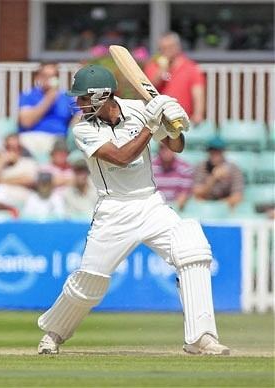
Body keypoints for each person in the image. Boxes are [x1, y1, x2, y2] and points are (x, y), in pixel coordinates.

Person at [37, 64, 229, 356]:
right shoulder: (83, 128)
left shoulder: (139, 109)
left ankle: (201, 337)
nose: (79, 104)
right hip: (113, 208)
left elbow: (176, 146)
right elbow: (121, 157)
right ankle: (53, 334)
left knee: (193, 249)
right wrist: (151, 127)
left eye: (84, 98)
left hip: (150, 203)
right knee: (90, 281)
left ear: (103, 95)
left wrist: (173, 122)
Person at [18, 62, 80, 157]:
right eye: (45, 76)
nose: (49, 79)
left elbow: (79, 115)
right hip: (32, 137)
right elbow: (26, 122)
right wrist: (49, 98)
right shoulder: (29, 95)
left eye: (53, 76)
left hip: (57, 139)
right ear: (38, 77)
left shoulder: (66, 97)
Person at [144, 32, 206, 125]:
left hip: (182, 119)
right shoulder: (153, 65)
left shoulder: (190, 67)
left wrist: (198, 113)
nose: (167, 50)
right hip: (158, 120)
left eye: (171, 47)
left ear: (178, 46)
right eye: (164, 48)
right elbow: (148, 89)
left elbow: (198, 92)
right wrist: (162, 69)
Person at [0, 133, 38, 216]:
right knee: (0, 191)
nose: (12, 151)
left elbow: (29, 180)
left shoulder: (29, 163)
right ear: (3, 148)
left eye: (16, 148)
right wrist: (2, 161)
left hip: (21, 201)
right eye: (9, 147)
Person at [192, 136, 244, 208]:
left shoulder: (234, 169)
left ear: (223, 152)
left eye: (218, 151)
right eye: (212, 151)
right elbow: (197, 194)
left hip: (226, 209)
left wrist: (218, 205)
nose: (214, 154)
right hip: (204, 208)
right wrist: (213, 178)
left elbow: (237, 197)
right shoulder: (201, 167)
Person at [152, 142, 194, 211]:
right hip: (154, 209)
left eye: (169, 147)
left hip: (175, 211)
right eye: (162, 147)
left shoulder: (185, 169)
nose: (166, 150)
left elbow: (183, 196)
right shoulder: (150, 167)